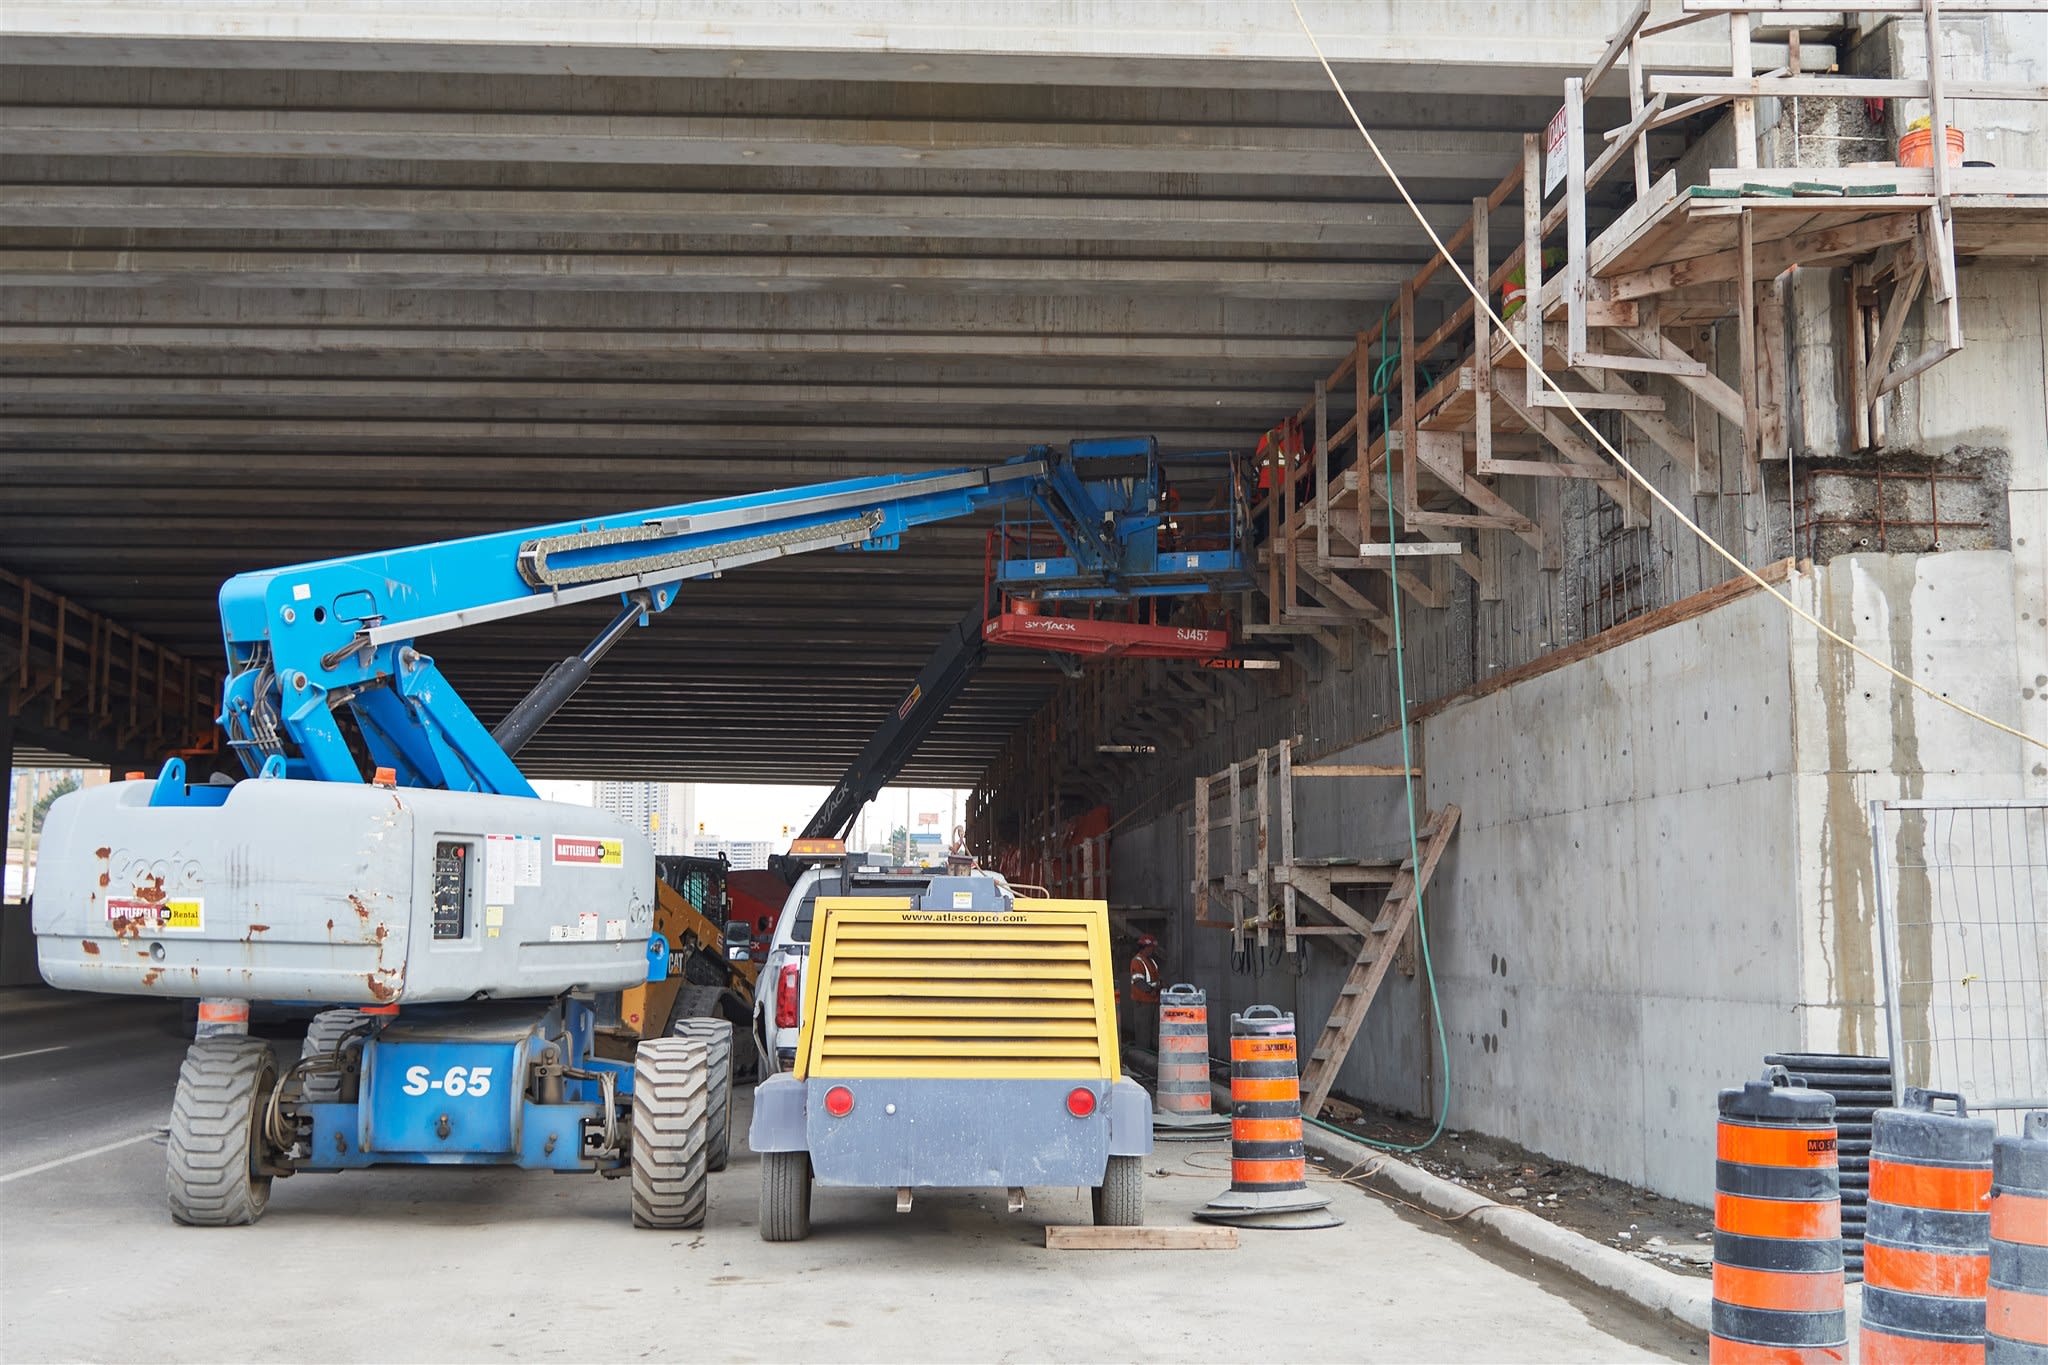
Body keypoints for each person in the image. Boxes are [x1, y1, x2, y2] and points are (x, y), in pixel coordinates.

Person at [1124, 934, 1161, 1052]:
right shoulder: (1137, 961)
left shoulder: (1151, 962)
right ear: (1145, 947)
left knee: (1154, 1031)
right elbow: (1138, 981)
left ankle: (1152, 1053)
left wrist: (1162, 987)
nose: (1153, 950)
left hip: (1153, 1001)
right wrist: (1152, 990)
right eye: (1151, 947)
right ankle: (1143, 1053)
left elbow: (1156, 980)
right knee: (1143, 1031)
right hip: (1143, 1002)